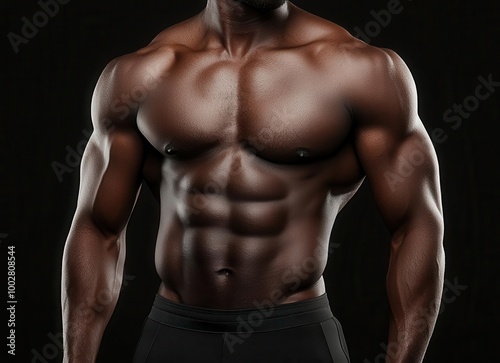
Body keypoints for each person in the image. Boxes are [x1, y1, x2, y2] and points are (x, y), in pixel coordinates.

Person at [61, 0, 445, 362]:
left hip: (295, 334)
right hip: (176, 333)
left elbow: (416, 224)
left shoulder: (361, 71)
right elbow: (98, 228)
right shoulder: (139, 75)